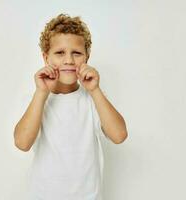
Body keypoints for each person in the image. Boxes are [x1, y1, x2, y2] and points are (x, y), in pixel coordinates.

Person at [14, 13, 128, 200]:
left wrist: (95, 90)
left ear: (87, 57)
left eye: (76, 53)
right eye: (59, 53)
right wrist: (41, 93)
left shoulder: (93, 99)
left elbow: (119, 135)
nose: (68, 60)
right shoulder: (36, 99)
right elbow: (22, 143)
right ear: (46, 57)